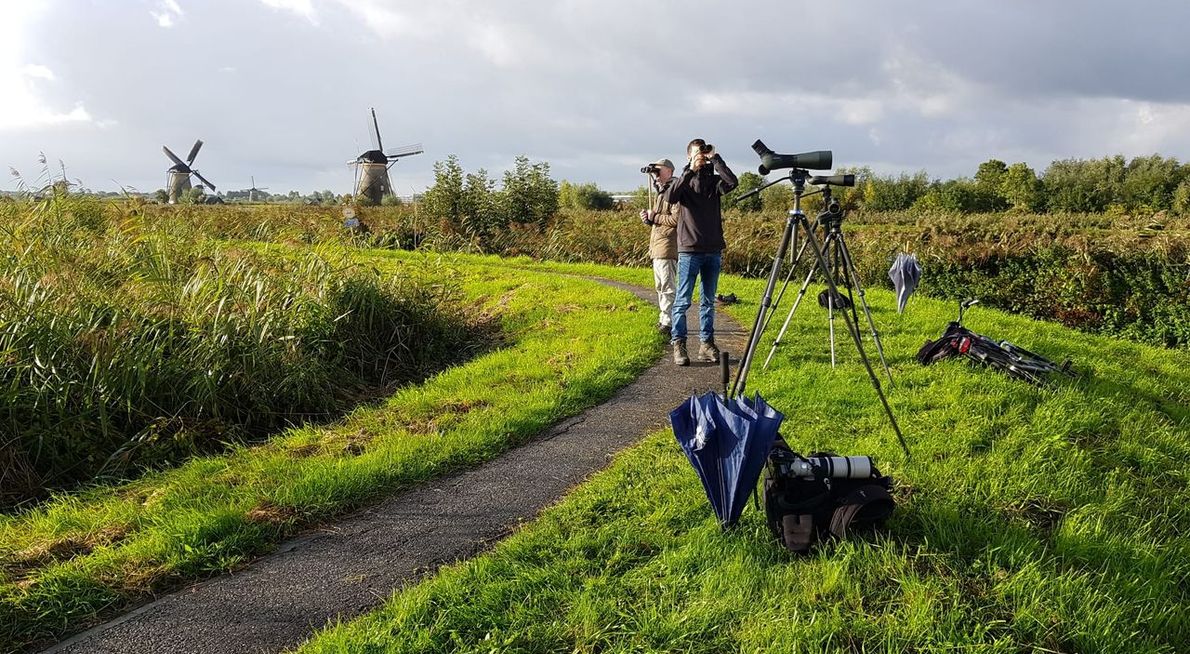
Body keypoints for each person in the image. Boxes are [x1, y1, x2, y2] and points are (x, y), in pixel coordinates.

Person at [668, 138, 737, 366]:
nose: (702, 156)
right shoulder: (683, 181)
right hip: (690, 250)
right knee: (683, 300)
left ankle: (706, 344)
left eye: (704, 152)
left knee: (708, 301)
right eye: (698, 152)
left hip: (713, 249)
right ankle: (679, 344)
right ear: (688, 155)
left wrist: (715, 159)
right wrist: (691, 169)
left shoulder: (714, 182)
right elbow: (670, 197)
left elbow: (732, 182)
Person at [640, 158, 679, 336]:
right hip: (658, 245)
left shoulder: (675, 191)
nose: (655, 175)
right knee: (660, 285)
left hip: (668, 245)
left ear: (669, 171)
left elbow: (676, 220)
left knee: (667, 285)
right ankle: (664, 319)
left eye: (658, 171)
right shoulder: (661, 192)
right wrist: (649, 219)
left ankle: (668, 322)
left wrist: (654, 217)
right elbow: (659, 219)